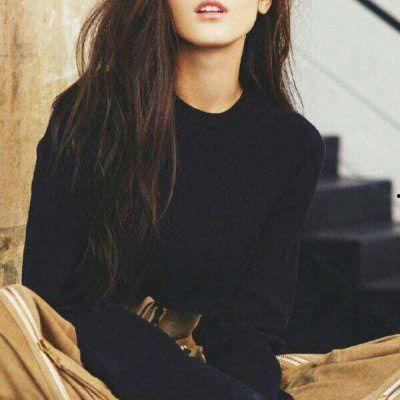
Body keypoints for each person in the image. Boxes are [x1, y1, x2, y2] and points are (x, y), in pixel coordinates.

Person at [22, 0, 326, 399]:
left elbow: (249, 327)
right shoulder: (90, 113)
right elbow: (50, 301)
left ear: (264, 1)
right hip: (82, 371)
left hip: (205, 374)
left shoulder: (291, 146)